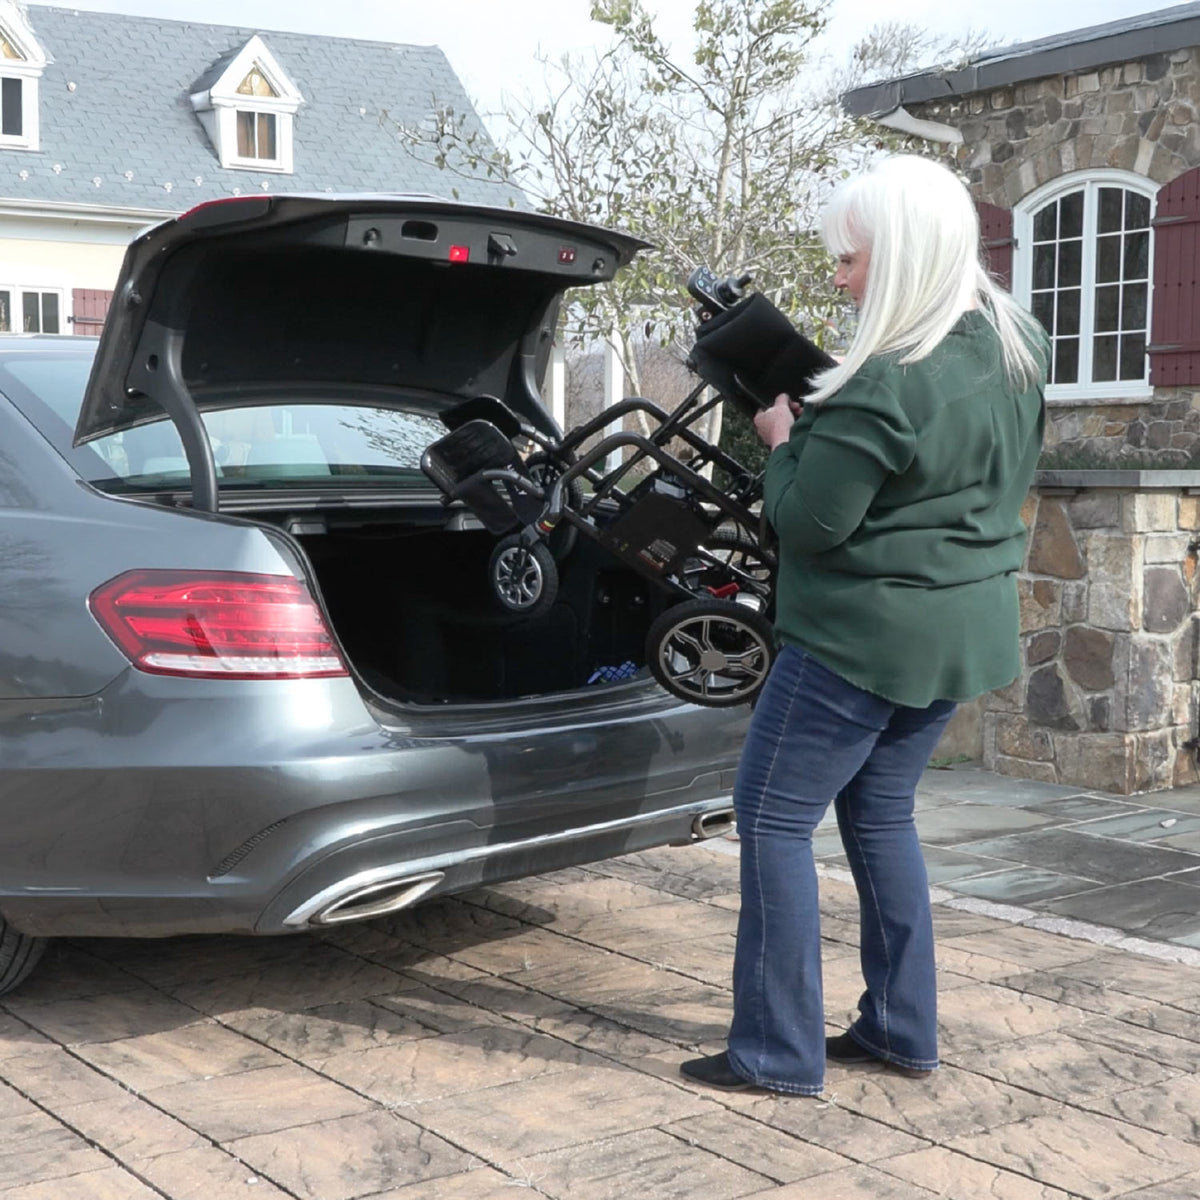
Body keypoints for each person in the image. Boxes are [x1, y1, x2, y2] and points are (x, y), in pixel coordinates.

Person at [679, 154, 1048, 1096]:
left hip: (858, 640)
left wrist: (783, 442)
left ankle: (775, 1051)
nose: (838, 279)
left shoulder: (884, 381)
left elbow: (808, 522)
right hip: (962, 635)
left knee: (770, 821)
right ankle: (898, 1027)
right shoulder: (1017, 344)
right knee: (881, 817)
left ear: (906, 254)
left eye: (850, 260)